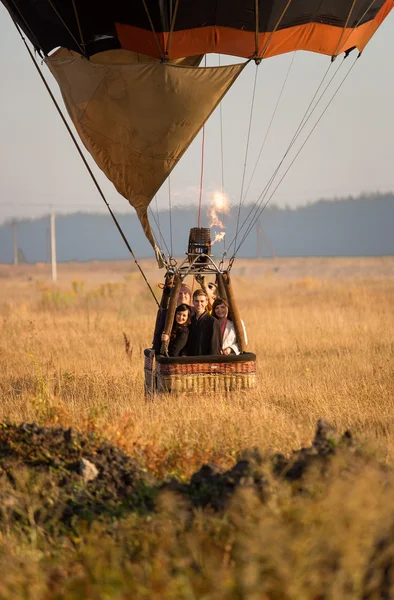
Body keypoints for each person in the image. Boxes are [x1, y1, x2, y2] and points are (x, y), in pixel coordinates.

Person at [186, 289, 222, 356]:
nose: (199, 304)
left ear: (206, 302)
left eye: (202, 301)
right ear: (193, 302)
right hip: (190, 361)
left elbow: (215, 347)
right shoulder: (189, 321)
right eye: (196, 301)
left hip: (206, 362)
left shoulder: (213, 322)